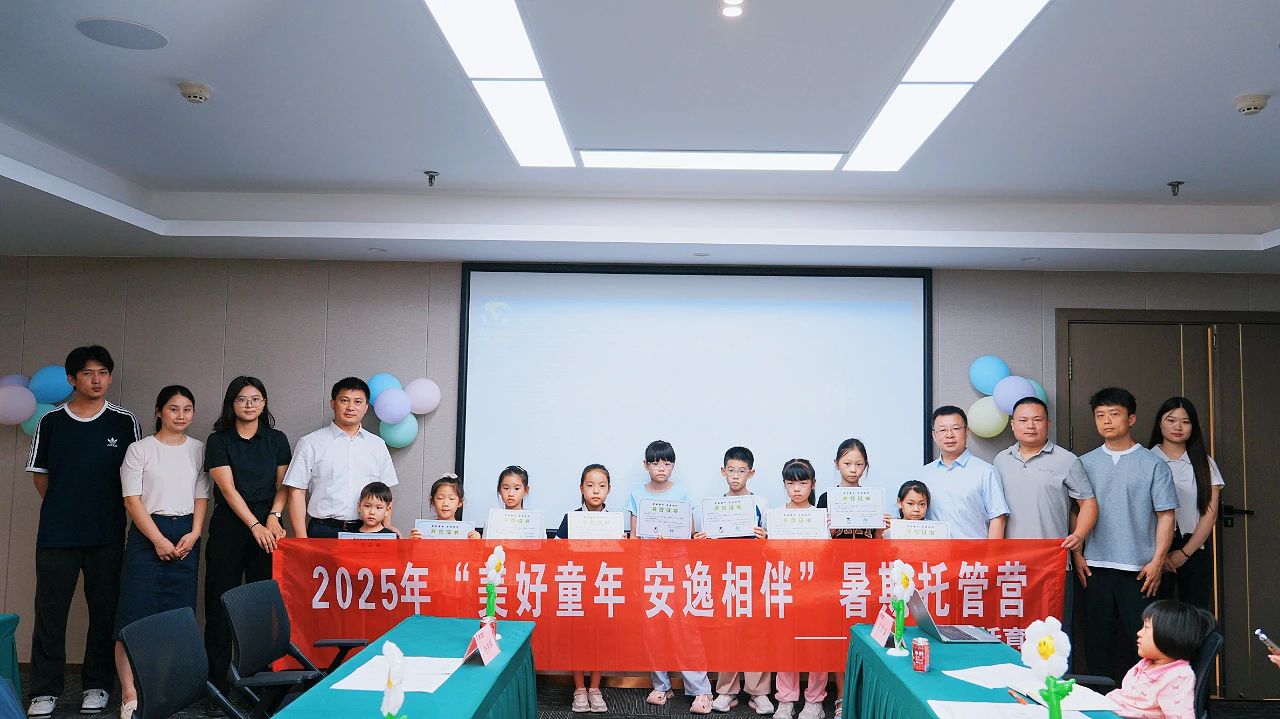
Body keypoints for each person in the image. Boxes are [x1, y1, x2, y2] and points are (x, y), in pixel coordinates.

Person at [25, 346, 140, 719]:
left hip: (107, 534)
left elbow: (135, 477)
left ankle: (97, 685)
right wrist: (65, 506)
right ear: (72, 379)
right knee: (50, 613)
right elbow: (40, 475)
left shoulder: (124, 421)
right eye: (88, 373)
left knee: (104, 612)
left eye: (103, 372)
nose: (97, 380)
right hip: (57, 535)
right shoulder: (52, 421)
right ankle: (44, 690)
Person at [113, 385, 209, 719]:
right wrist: (156, 539)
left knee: (177, 616)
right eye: (173, 408)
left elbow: (201, 496)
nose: (181, 415)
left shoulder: (199, 449)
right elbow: (131, 500)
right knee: (133, 614)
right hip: (147, 534)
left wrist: (195, 533)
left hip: (186, 535)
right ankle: (129, 693)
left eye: (187, 409)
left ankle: (165, 690)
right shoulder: (140, 449)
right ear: (158, 411)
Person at [1073, 387, 1178, 684]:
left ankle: (1140, 700)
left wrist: (1157, 561)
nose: (1106, 421)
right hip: (1095, 566)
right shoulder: (1084, 462)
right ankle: (1100, 702)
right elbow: (1076, 512)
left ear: (1131, 419)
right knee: (1097, 642)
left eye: (1114, 414)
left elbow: (1166, 515)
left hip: (1140, 569)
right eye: (1100, 415)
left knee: (1141, 643)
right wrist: (1077, 554)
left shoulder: (1153, 463)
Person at [203, 376, 292, 692]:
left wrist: (273, 517)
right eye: (242, 399)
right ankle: (217, 686)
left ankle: (258, 686)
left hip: (269, 530)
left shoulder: (277, 439)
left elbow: (284, 485)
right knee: (219, 605)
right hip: (230, 528)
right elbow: (227, 490)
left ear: (264, 403)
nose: (249, 404)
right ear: (232, 403)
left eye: (256, 399)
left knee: (261, 608)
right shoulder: (219, 440)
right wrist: (254, 525)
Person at [625, 440, 712, 714]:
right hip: (650, 568)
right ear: (646, 465)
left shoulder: (683, 493)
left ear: (673, 466)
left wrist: (672, 541)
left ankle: (701, 690)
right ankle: (661, 685)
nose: (661, 468)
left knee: (684, 628)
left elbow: (689, 535)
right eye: (655, 463)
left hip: (677, 567)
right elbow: (635, 537)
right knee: (653, 628)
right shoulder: (637, 495)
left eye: (667, 463)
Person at [284, 377, 398, 538]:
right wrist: (302, 538)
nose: (351, 407)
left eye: (358, 402)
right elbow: (297, 491)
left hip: (367, 530)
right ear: (333, 403)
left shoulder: (377, 445)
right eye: (344, 400)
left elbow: (386, 490)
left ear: (366, 407)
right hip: (323, 530)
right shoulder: (310, 443)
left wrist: (386, 527)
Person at [707, 447, 773, 715]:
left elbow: (771, 542)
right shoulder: (715, 505)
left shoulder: (761, 503)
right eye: (731, 470)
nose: (735, 476)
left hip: (755, 576)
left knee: (756, 633)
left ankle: (759, 692)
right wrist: (703, 540)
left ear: (751, 473)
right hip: (726, 577)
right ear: (723, 471)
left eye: (741, 471)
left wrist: (765, 537)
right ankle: (727, 691)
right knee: (727, 633)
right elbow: (709, 544)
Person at [1148, 398, 1223, 611]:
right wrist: (1160, 555)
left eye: (1185, 421)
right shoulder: (1145, 459)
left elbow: (1210, 514)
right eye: (1171, 420)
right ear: (1160, 423)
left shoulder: (1205, 463)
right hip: (1152, 549)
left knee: (1196, 613)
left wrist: (1185, 553)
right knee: (1157, 614)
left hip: (1194, 546)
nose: (1178, 427)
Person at [772, 459, 827, 719]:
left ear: (812, 484)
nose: (796, 489)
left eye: (803, 483)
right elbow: (770, 557)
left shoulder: (821, 517)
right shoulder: (776, 516)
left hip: (814, 591)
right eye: (790, 483)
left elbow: (827, 556)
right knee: (786, 645)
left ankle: (815, 701)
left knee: (816, 645)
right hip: (785, 588)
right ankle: (786, 700)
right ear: (784, 484)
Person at [556, 464, 613, 713]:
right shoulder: (571, 518)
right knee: (576, 637)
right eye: (590, 485)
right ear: (581, 488)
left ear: (609, 489)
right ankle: (579, 688)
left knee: (600, 638)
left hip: (602, 587)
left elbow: (619, 557)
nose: (596, 491)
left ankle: (595, 688)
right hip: (576, 586)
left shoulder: (613, 520)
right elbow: (556, 550)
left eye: (601, 486)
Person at [1106, 600, 1213, 719]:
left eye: (1146, 627)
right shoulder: (1147, 663)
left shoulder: (1177, 676)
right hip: (1108, 708)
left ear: (1168, 635)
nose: (1139, 633)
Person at [921, 406, 1010, 539]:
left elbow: (998, 519)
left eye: (956, 428)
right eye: (943, 430)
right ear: (934, 435)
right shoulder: (923, 474)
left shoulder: (986, 472)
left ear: (967, 432)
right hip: (935, 551)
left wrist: (992, 552)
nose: (949, 435)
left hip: (974, 551)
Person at [817, 438, 876, 540]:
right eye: (847, 464)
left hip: (866, 550)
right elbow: (819, 541)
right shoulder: (826, 498)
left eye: (859, 464)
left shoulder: (872, 498)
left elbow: (876, 538)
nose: (853, 470)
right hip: (835, 550)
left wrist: (882, 527)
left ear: (866, 465)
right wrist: (830, 532)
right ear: (837, 464)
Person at [410, 475, 482, 539]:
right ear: (433, 501)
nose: (445, 503)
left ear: (460, 502)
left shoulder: (466, 532)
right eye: (440, 498)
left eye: (451, 499)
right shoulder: (423, 530)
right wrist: (412, 542)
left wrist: (476, 543)